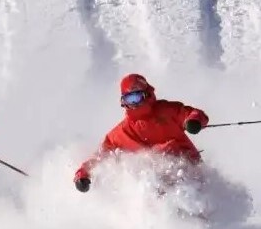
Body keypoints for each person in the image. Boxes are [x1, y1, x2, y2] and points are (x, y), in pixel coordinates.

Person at [73, 73, 209, 193]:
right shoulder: (122, 132)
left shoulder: (167, 111)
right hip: (159, 184)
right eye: (129, 100)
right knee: (147, 173)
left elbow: (191, 113)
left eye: (136, 98)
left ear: (146, 94)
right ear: (123, 102)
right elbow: (101, 154)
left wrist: (193, 121)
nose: (134, 104)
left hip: (190, 170)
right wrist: (83, 174)